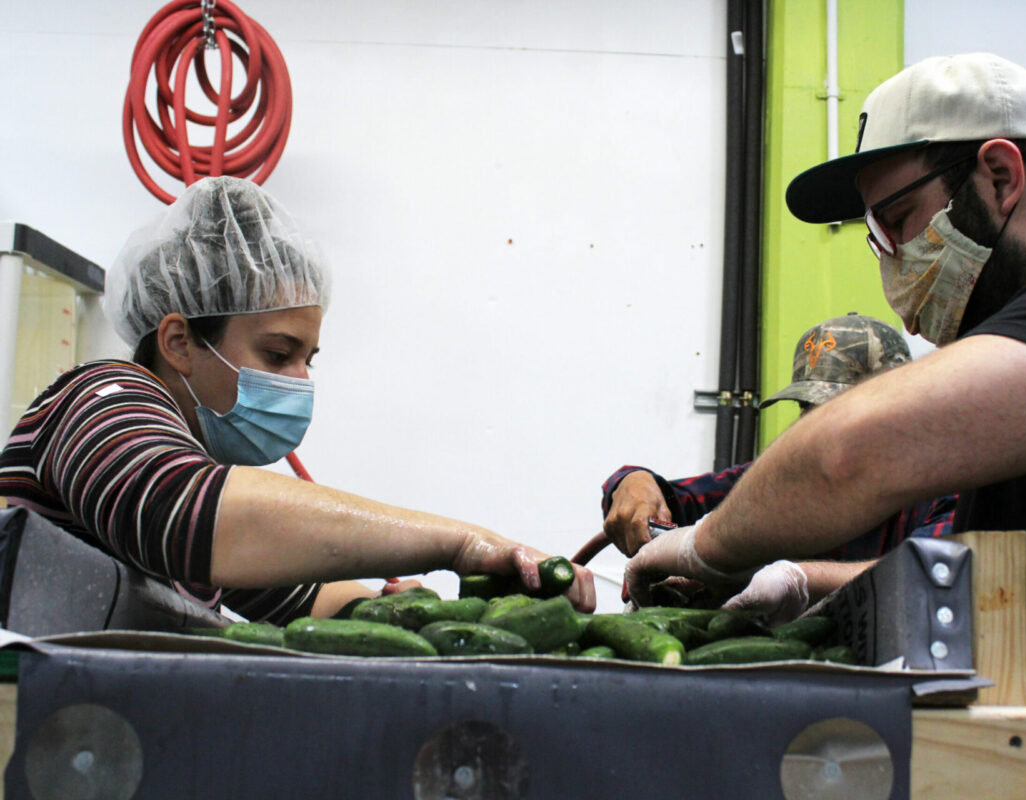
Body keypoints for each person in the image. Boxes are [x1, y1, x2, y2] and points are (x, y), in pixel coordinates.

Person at [624, 52, 1026, 796]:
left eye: (898, 219)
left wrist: (707, 548)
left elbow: (849, 454)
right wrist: (812, 590)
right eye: (877, 237)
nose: (893, 260)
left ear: (1000, 176)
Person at [0, 176, 595, 623]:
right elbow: (184, 515)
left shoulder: (202, 463)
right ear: (179, 341)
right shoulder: (101, 397)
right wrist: (462, 543)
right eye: (278, 354)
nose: (298, 382)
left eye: (308, 360)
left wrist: (402, 609)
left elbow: (303, 596)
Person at [600, 313, 955, 614]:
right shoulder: (787, 482)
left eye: (839, 410)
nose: (817, 427)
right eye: (808, 408)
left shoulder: (945, 488)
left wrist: (798, 581)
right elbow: (681, 501)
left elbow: (931, 571)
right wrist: (633, 484)